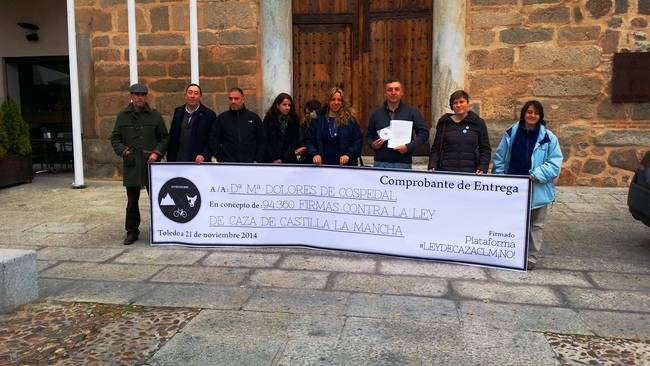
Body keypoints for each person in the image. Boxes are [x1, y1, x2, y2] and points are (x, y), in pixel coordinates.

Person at [492, 100, 563, 269]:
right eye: (529, 112)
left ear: (540, 116)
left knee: (536, 224)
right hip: (513, 187)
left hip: (536, 187)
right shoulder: (510, 133)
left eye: (536, 113)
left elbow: (554, 163)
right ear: (524, 113)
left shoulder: (549, 138)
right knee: (511, 221)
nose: (532, 115)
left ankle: (531, 257)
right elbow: (500, 158)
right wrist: (500, 178)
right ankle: (511, 253)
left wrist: (535, 175)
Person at [110, 83, 169, 245]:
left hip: (151, 165)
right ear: (131, 96)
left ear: (146, 96)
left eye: (142, 95)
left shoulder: (155, 116)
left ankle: (161, 228)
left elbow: (164, 138)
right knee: (132, 201)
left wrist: (157, 153)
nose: (139, 97)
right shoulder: (122, 116)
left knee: (158, 199)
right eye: (136, 95)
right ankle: (132, 231)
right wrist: (123, 150)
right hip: (132, 165)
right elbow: (115, 138)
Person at [366, 79, 429, 169]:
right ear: (385, 93)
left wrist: (408, 147)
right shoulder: (376, 114)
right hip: (380, 163)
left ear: (402, 92)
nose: (393, 92)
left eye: (397, 89)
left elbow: (424, 133)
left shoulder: (411, 112)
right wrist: (373, 145)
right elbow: (368, 137)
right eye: (390, 90)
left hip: (403, 164)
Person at [427, 90, 491, 173]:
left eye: (461, 102)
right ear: (452, 106)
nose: (458, 105)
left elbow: (485, 149)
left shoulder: (478, 123)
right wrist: (432, 165)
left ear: (467, 103)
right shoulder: (444, 123)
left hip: (471, 171)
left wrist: (483, 167)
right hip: (446, 171)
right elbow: (436, 148)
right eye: (455, 103)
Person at [306, 87, 362, 166]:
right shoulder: (318, 119)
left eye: (339, 100)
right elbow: (309, 140)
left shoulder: (350, 120)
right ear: (328, 101)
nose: (336, 102)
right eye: (333, 99)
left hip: (345, 166)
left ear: (342, 102)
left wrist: (348, 155)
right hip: (322, 166)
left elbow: (358, 142)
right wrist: (314, 154)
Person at [209, 88, 265, 163]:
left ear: (243, 99)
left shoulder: (254, 118)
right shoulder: (222, 119)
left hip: (250, 164)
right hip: (228, 165)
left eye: (236, 98)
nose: (233, 101)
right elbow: (213, 141)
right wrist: (221, 159)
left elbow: (262, 140)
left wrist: (257, 159)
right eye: (230, 99)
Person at [167, 83, 217, 163]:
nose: (192, 96)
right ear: (185, 95)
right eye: (190, 92)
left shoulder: (209, 115)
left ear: (200, 96)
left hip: (198, 163)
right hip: (178, 161)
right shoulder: (178, 112)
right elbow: (172, 136)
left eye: (196, 93)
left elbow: (213, 140)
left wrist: (204, 155)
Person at [262, 93, 301, 164]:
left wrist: (284, 159)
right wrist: (273, 158)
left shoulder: (294, 121)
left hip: (288, 161)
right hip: (270, 160)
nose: (287, 107)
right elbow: (265, 139)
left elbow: (294, 141)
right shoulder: (269, 119)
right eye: (284, 105)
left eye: (289, 105)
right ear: (277, 105)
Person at [295, 99, 321, 164]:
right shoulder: (302, 127)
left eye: (309, 113)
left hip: (319, 160)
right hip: (306, 161)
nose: (307, 115)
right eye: (306, 113)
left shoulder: (321, 126)